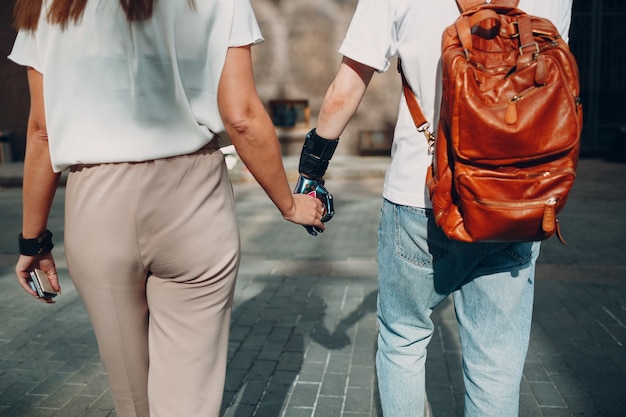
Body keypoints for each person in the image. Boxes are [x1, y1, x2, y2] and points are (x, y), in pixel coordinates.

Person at [9, 0, 325, 416]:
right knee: (188, 404)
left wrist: (34, 239)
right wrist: (289, 204)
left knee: (131, 397)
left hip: (98, 203)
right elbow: (242, 115)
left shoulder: (45, 5)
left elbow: (42, 132)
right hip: (193, 196)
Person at [294, 1, 573, 416]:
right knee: (495, 364)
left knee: (403, 341)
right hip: (514, 202)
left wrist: (311, 173)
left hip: (419, 197)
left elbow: (346, 87)